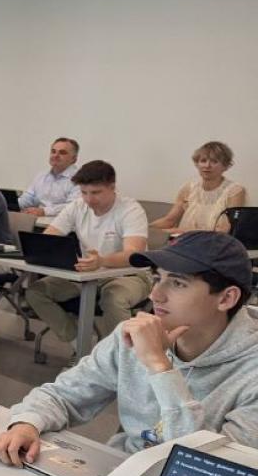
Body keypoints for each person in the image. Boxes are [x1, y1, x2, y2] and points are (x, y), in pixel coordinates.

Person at [0, 231, 258, 476]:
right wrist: (27, 423)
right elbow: (62, 394)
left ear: (226, 298)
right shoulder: (132, 335)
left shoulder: (249, 370)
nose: (155, 295)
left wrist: (160, 368)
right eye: (157, 278)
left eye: (177, 283)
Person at [24, 160, 152, 353]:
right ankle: (83, 346)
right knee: (36, 291)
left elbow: (133, 255)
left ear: (112, 187)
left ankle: (119, 358)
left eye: (96, 193)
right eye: (84, 192)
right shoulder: (77, 206)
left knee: (113, 297)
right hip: (88, 273)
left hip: (130, 275)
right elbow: (50, 236)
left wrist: (102, 261)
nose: (89, 199)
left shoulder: (131, 210)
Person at [151, 141, 246, 233]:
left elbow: (225, 230)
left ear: (226, 166)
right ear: (197, 164)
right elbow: (169, 221)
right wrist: (142, 228)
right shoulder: (188, 188)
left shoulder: (235, 191)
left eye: (214, 161)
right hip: (183, 243)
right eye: (203, 161)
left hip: (215, 245)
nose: (207, 166)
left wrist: (181, 232)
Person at [18, 137, 80, 217]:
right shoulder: (41, 176)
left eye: (62, 153)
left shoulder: (80, 179)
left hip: (65, 226)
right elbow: (27, 199)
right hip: (37, 223)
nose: (56, 155)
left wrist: (44, 211)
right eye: (53, 151)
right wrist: (9, 204)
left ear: (74, 159)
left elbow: (73, 207)